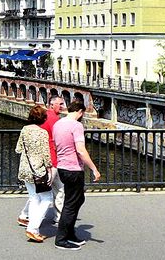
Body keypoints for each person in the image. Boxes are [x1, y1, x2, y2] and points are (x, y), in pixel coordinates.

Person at [53, 100, 101, 251]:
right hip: (73, 169)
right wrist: (94, 168)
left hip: (62, 167)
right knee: (71, 204)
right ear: (80, 112)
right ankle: (61, 239)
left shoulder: (58, 124)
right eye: (83, 114)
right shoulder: (76, 126)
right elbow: (80, 150)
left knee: (78, 199)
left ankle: (70, 233)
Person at [18, 95, 64, 226]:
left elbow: (19, 148)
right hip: (51, 158)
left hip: (34, 161)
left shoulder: (30, 127)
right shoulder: (54, 119)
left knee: (37, 192)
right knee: (57, 190)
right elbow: (56, 140)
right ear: (52, 105)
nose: (62, 107)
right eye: (60, 104)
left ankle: (25, 215)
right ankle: (56, 218)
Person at [14, 105, 53, 243]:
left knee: (34, 198)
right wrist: (49, 169)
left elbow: (18, 149)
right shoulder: (43, 133)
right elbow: (46, 154)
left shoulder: (24, 130)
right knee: (47, 198)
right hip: (38, 170)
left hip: (25, 168)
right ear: (43, 118)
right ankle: (33, 228)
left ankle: (31, 226)